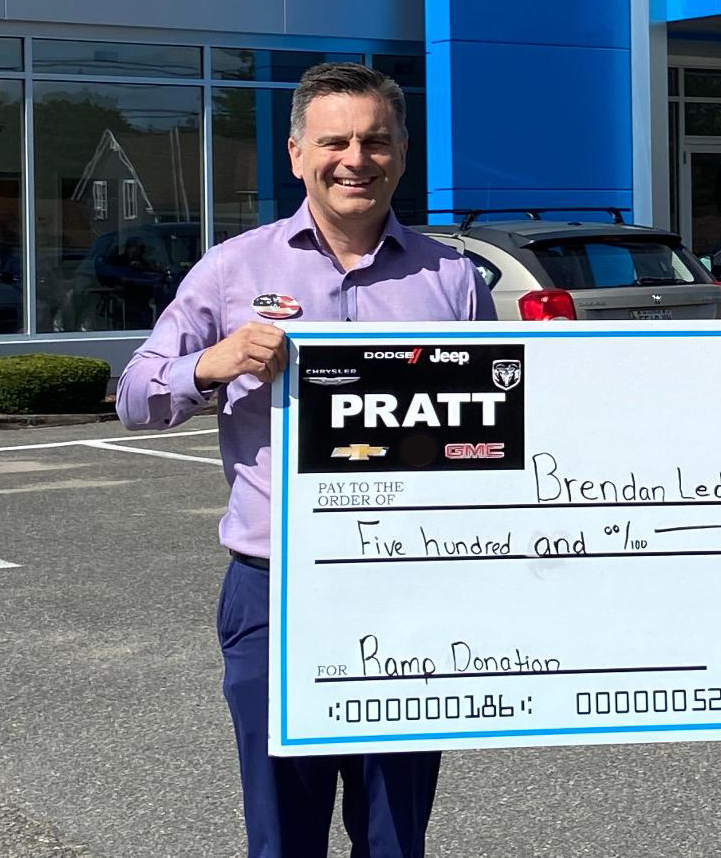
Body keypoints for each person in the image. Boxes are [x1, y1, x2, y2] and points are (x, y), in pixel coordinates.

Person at [116, 63, 493, 858]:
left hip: (410, 589)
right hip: (275, 590)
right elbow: (134, 396)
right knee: (283, 835)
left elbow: (496, 434)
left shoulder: (453, 279)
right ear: (296, 154)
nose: (356, 158)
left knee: (395, 835)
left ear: (402, 153)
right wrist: (210, 363)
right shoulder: (234, 269)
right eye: (334, 141)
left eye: (376, 140)